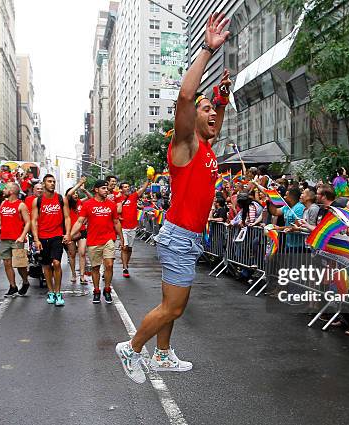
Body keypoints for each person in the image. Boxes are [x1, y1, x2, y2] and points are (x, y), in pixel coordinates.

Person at [116, 13, 231, 383]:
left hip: (186, 237)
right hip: (180, 237)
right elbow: (185, 95)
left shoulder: (208, 147)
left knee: (172, 306)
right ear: (189, 119)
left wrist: (223, 100)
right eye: (206, 108)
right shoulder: (185, 145)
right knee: (173, 308)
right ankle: (132, 349)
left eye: (213, 109)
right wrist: (207, 52)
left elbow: (214, 123)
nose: (212, 112)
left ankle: (162, 355)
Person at [71, 180, 123, 304]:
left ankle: (107, 289)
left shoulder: (111, 205)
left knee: (109, 264)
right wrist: (70, 235)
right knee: (95, 268)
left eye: (107, 188)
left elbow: (116, 222)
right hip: (93, 240)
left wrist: (121, 237)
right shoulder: (88, 205)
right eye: (104, 188)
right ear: (96, 190)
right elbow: (79, 222)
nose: (106, 190)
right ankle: (96, 291)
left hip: (109, 239)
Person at [31, 174, 71, 306]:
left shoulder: (61, 199)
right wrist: (36, 239)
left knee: (57, 263)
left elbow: (67, 217)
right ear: (43, 184)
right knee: (46, 265)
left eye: (53, 181)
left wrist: (68, 233)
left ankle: (58, 292)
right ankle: (51, 291)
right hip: (42, 237)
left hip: (57, 236)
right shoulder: (37, 201)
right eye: (49, 181)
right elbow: (34, 221)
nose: (52, 184)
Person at [0, 182, 31, 297]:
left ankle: (25, 282)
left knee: (20, 264)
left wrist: (22, 236)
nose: (3, 190)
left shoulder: (21, 205)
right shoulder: (3, 203)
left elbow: (28, 222)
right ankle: (12, 286)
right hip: (5, 239)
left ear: (12, 191)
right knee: (7, 263)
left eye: (6, 188)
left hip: (17, 239)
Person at [117, 179, 150, 278]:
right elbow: (114, 209)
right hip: (123, 227)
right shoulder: (118, 198)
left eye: (128, 187)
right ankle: (125, 268)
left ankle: (126, 264)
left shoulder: (134, 196)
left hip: (133, 227)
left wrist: (148, 180)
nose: (127, 188)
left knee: (130, 248)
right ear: (121, 189)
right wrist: (118, 216)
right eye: (125, 187)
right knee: (125, 247)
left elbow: (143, 189)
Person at [66, 177, 90, 284]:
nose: (75, 195)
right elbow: (68, 195)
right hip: (70, 233)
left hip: (82, 231)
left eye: (77, 193)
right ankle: (73, 273)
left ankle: (82, 275)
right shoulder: (66, 204)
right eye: (74, 193)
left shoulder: (81, 202)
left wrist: (84, 190)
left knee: (82, 253)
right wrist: (78, 183)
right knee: (71, 254)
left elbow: (91, 198)